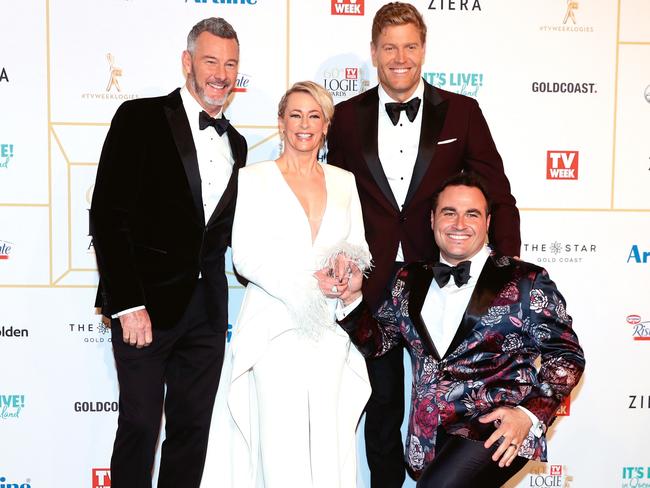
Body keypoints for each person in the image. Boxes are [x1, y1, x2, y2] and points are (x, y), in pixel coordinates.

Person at [326, 3, 521, 486]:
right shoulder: (346, 118)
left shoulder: (462, 111)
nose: (400, 57)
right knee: (385, 402)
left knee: (457, 404)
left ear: (424, 50)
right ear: (373, 53)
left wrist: (506, 276)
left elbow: (497, 194)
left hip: (444, 281)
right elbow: (332, 195)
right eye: (389, 47)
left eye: (410, 46)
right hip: (375, 284)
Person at [323, 172, 585, 487]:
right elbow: (379, 343)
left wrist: (528, 415)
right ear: (433, 219)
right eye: (450, 212)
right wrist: (352, 298)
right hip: (428, 433)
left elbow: (567, 356)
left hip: (494, 428)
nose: (459, 223)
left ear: (487, 222)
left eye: (471, 214)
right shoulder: (409, 278)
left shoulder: (524, 280)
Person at [90, 17, 247, 488]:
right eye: (211, 60)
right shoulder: (139, 118)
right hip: (145, 309)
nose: (220, 73)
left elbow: (223, 232)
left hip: (206, 314)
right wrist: (127, 303)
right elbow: (108, 215)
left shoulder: (236, 144)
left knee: (191, 430)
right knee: (139, 425)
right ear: (188, 63)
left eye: (230, 63)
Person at [200, 81, 371, 488]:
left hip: (331, 332)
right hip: (274, 329)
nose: (304, 125)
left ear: (326, 125)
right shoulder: (253, 178)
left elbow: (360, 246)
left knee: (329, 442)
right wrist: (308, 287)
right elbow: (244, 255)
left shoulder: (345, 181)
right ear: (280, 122)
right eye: (295, 114)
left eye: (315, 116)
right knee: (279, 446)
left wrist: (351, 274)